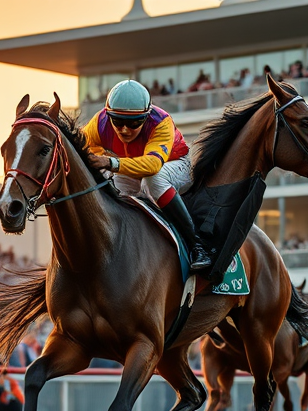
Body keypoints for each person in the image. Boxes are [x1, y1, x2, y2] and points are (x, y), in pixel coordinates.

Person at [83, 79, 212, 271]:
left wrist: (110, 162)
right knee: (114, 187)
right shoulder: (100, 122)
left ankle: (196, 246)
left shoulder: (160, 122)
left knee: (153, 179)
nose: (125, 129)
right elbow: (82, 147)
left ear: (146, 116)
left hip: (175, 165)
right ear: (108, 115)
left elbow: (152, 165)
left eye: (134, 122)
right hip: (132, 167)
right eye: (117, 121)